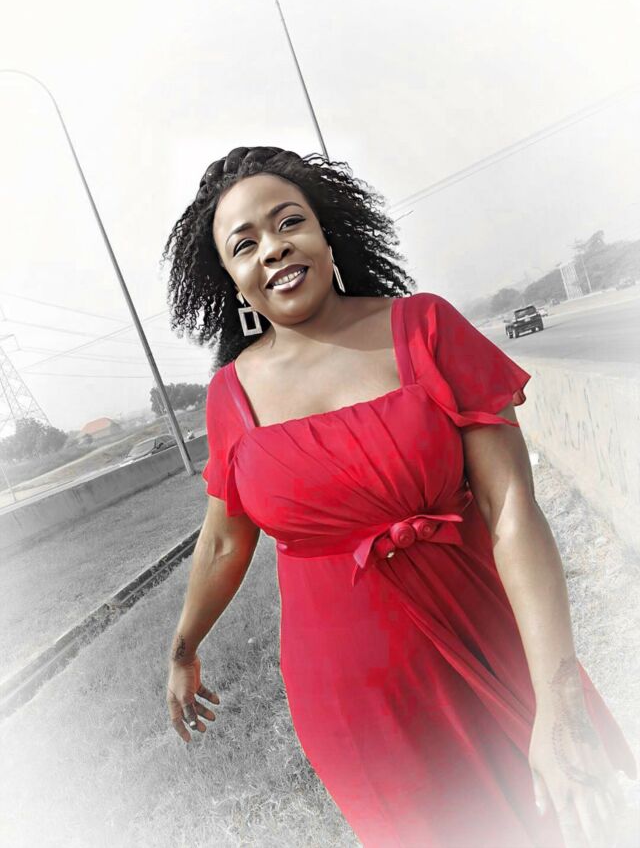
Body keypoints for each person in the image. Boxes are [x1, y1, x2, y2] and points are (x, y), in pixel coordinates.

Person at [162, 147, 636, 847]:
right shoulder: (232, 396)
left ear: (326, 232)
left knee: (582, 816)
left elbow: (511, 510)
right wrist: (183, 647)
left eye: (289, 222)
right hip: (355, 705)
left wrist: (559, 698)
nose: (273, 248)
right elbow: (224, 541)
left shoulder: (425, 328)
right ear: (230, 278)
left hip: (490, 641)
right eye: (245, 244)